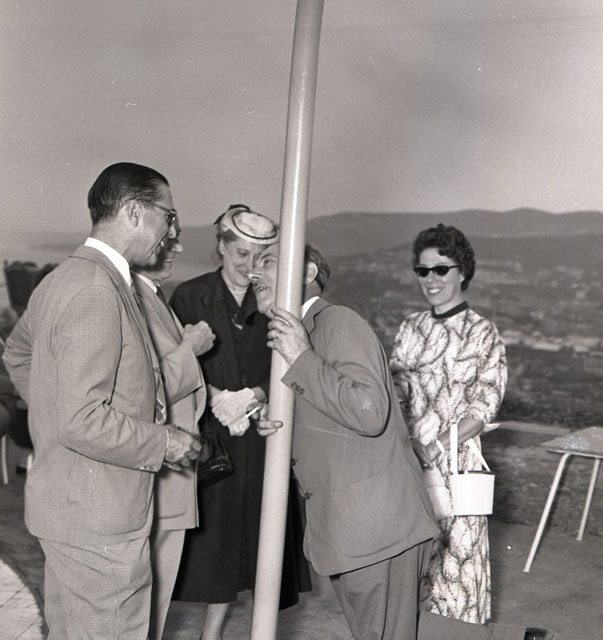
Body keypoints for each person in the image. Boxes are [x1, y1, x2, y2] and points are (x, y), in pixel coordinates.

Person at [251, 241, 556, 640]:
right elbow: (338, 411)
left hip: (374, 522)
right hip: (349, 522)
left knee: (383, 631)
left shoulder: (336, 322)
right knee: (391, 627)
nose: (254, 272)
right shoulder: (303, 337)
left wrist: (301, 358)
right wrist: (280, 424)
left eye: (267, 261)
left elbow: (369, 410)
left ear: (307, 272)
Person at [2, 162, 202, 639]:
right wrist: (166, 441)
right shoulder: (97, 289)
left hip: (74, 510)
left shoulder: (65, 278)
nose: (171, 231)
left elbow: (18, 352)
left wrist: (51, 416)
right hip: (101, 521)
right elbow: (82, 419)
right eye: (168, 216)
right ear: (134, 212)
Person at [170, 204, 310, 640]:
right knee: (217, 543)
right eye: (240, 254)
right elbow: (173, 362)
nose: (250, 266)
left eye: (259, 257)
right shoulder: (188, 296)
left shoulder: (275, 298)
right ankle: (210, 633)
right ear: (221, 247)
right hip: (211, 435)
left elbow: (291, 358)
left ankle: (244, 631)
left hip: (261, 435)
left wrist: (256, 396)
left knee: (260, 539)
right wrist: (215, 398)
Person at [389, 223, 507, 625]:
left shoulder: (482, 333)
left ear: (463, 272)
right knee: (412, 567)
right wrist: (408, 444)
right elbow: (395, 393)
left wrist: (436, 445)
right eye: (423, 270)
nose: (431, 279)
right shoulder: (410, 328)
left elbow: (484, 407)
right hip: (409, 464)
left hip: (457, 468)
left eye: (441, 269)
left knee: (459, 569)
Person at [131, 214, 215, 640]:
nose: (177, 248)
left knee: (156, 604)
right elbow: (144, 386)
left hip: (171, 478)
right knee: (147, 605)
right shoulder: (134, 299)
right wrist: (190, 348)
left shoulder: (154, 296)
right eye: (168, 240)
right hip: (158, 478)